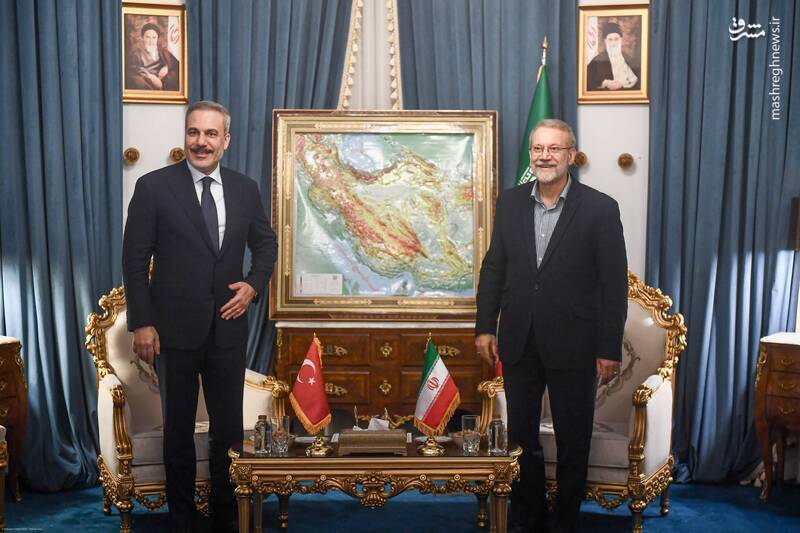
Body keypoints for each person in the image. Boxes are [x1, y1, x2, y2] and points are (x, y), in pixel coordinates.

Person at [122, 100, 277, 532]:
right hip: (171, 331)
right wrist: (142, 322)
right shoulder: (153, 187)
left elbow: (265, 244)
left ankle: (226, 516)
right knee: (178, 430)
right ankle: (183, 518)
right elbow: (134, 260)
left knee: (228, 430)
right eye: (194, 132)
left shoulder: (245, 189)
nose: (201, 142)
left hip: (228, 328)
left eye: (211, 134)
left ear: (226, 140)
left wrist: (253, 285)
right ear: (185, 136)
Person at [475, 119, 628, 532]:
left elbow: (613, 286)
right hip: (519, 340)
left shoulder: (600, 208)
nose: (545, 156)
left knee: (573, 439)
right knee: (521, 438)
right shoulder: (509, 203)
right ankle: (529, 516)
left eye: (554, 149)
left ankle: (564, 521)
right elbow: (494, 268)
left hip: (575, 344)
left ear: (571, 156)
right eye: (538, 149)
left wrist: (609, 348)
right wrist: (485, 326)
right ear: (531, 155)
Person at [586, 21, 640, 91]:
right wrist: (604, 83)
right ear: (605, 41)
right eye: (610, 40)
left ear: (621, 40)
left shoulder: (630, 60)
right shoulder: (596, 61)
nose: (613, 43)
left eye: (616, 39)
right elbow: (587, 82)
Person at [125, 22, 180, 91]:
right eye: (148, 37)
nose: (151, 41)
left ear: (157, 38)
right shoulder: (136, 53)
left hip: (162, 79)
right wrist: (150, 76)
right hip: (145, 79)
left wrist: (166, 68)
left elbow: (175, 64)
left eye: (154, 38)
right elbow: (132, 69)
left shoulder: (163, 51)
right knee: (138, 82)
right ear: (142, 38)